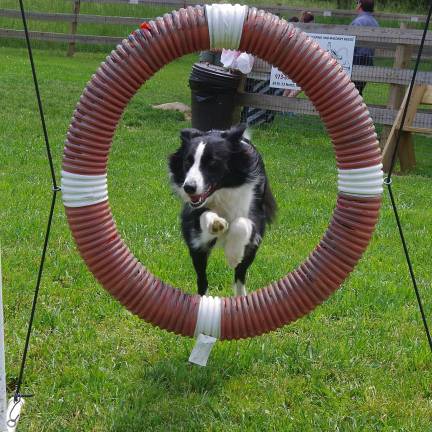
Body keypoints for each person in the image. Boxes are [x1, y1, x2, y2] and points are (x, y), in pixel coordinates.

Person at [350, 0, 379, 95]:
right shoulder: (375, 23)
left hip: (357, 59)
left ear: (360, 5)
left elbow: (350, 43)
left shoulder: (358, 22)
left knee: (350, 92)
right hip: (369, 60)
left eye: (357, 3)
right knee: (358, 91)